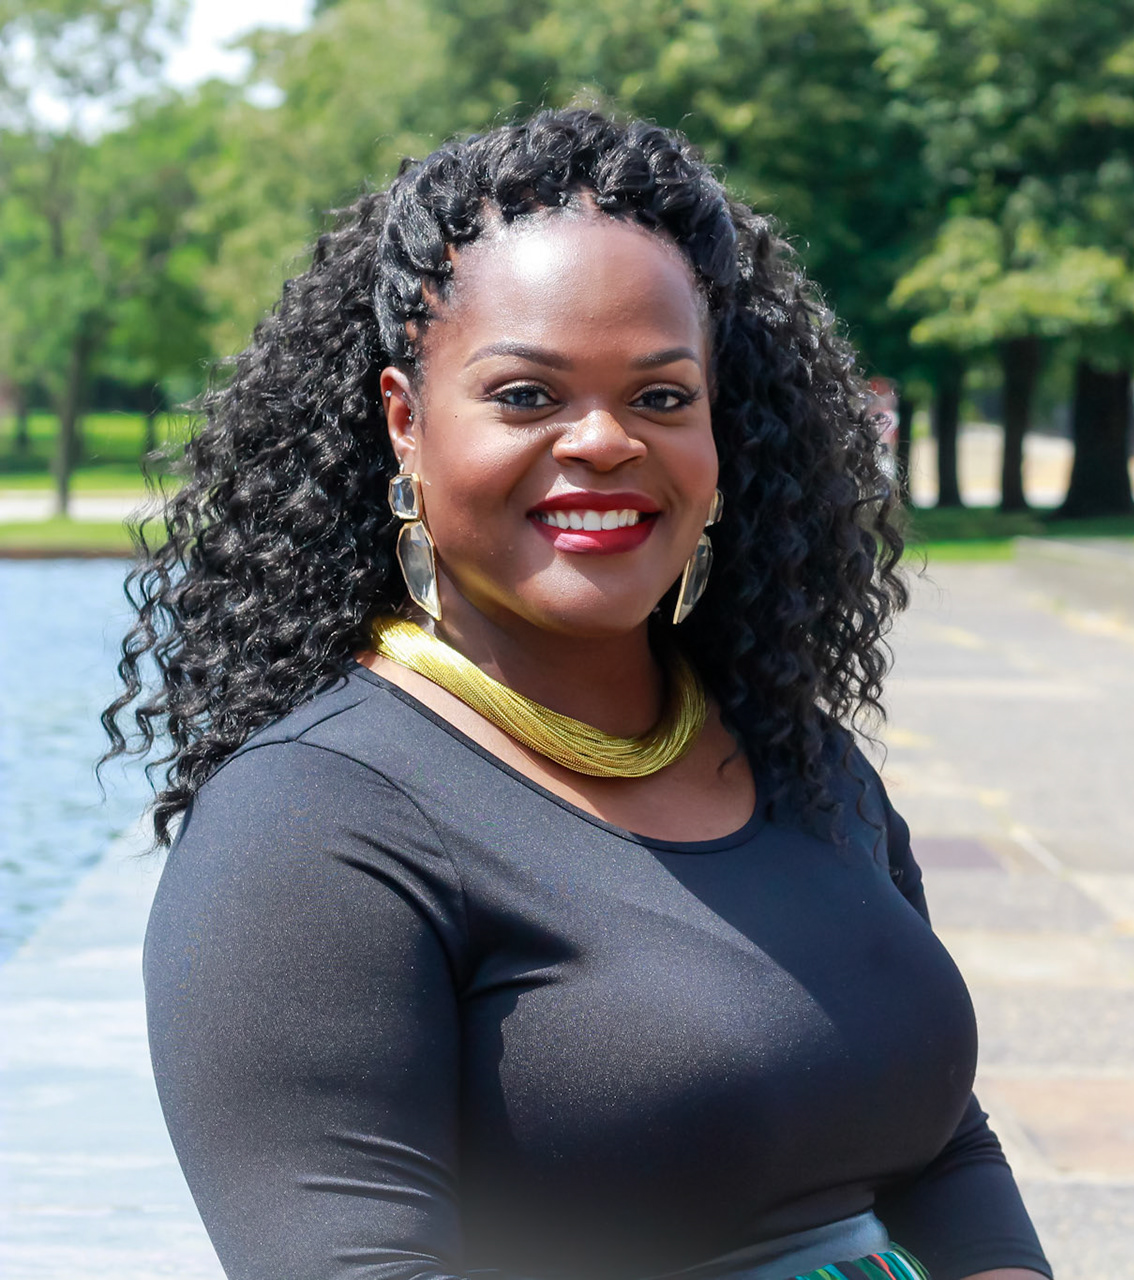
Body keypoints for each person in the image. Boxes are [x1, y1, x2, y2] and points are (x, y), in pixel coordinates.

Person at [106, 111, 1051, 1280]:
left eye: (662, 397)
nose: (603, 441)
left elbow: (940, 1137)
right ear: (405, 421)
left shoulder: (802, 763)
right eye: (524, 394)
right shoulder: (309, 826)